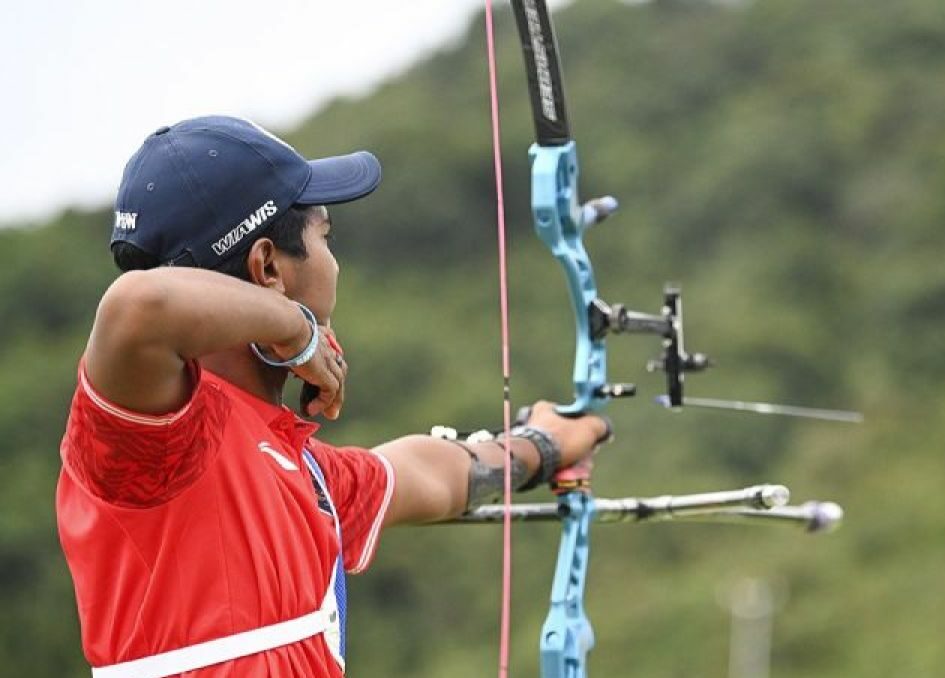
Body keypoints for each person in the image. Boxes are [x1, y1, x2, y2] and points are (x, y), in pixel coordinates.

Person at [56, 115, 609, 677]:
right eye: (326, 238)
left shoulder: (301, 472)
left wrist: (540, 444)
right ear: (269, 266)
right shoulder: (154, 446)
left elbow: (422, 475)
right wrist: (296, 331)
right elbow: (138, 307)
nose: (334, 262)